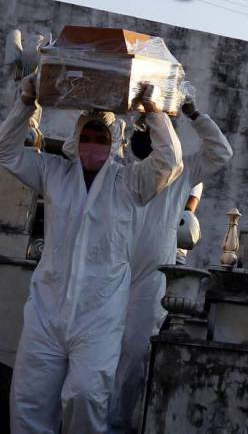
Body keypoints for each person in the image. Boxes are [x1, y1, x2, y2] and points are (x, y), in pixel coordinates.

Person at [0, 76, 183, 434]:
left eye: (101, 137)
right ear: (76, 138)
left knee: (86, 396)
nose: (93, 143)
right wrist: (25, 102)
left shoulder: (129, 183)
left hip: (99, 317)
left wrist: (155, 112)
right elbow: (6, 151)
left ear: (114, 141)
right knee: (29, 401)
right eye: (88, 135)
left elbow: (170, 161)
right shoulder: (54, 173)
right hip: (46, 311)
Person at [108, 94, 232, 434]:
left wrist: (193, 113)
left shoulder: (184, 170)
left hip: (152, 279)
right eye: (142, 128)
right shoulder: (120, 171)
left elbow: (221, 153)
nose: (145, 135)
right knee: (98, 353)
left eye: (153, 127)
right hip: (109, 273)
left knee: (134, 356)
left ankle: (118, 425)